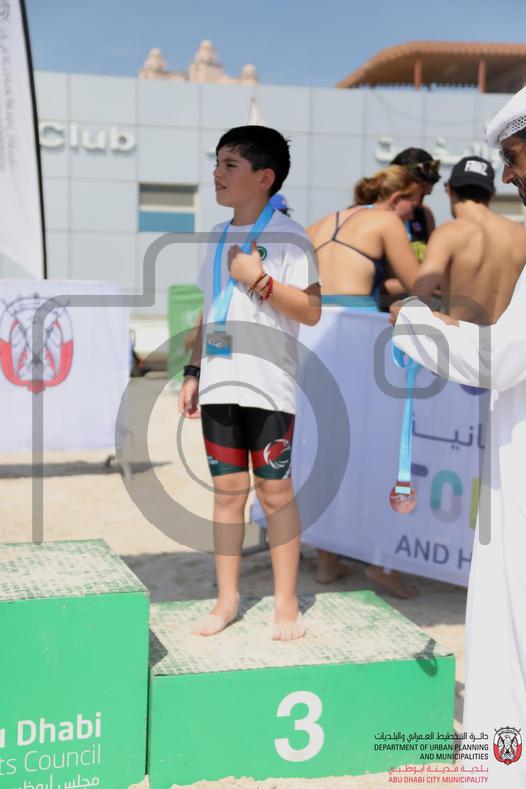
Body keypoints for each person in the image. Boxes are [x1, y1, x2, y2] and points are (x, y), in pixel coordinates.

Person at [390, 86, 526, 787]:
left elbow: (501, 355)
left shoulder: (448, 234)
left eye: (516, 156)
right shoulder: (518, 236)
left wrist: (412, 322)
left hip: (507, 419)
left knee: (509, 612)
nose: (511, 173)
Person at [179, 125, 321, 640]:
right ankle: (226, 600)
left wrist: (258, 279)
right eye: (217, 163)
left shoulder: (290, 235)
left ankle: (286, 602)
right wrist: (193, 371)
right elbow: (207, 310)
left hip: (269, 384)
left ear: (265, 178)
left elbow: (311, 310)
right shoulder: (217, 235)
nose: (217, 174)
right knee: (227, 493)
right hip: (220, 383)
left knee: (276, 493)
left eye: (230, 165)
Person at [307, 166, 422, 596]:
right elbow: (419, 283)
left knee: (324, 448)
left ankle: (326, 562)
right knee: (375, 451)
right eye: (413, 205)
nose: (414, 215)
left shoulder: (323, 221)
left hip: (315, 333)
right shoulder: (386, 221)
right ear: (397, 198)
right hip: (356, 336)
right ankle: (379, 561)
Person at [411, 155, 526, 325]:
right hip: (507, 341)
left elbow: (417, 300)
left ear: (449, 189)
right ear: (492, 193)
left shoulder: (448, 233)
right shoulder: (520, 234)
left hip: (461, 339)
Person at [390, 147, 441, 262]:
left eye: (425, 196)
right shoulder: (369, 213)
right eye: (420, 195)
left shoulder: (425, 214)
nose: (418, 203)